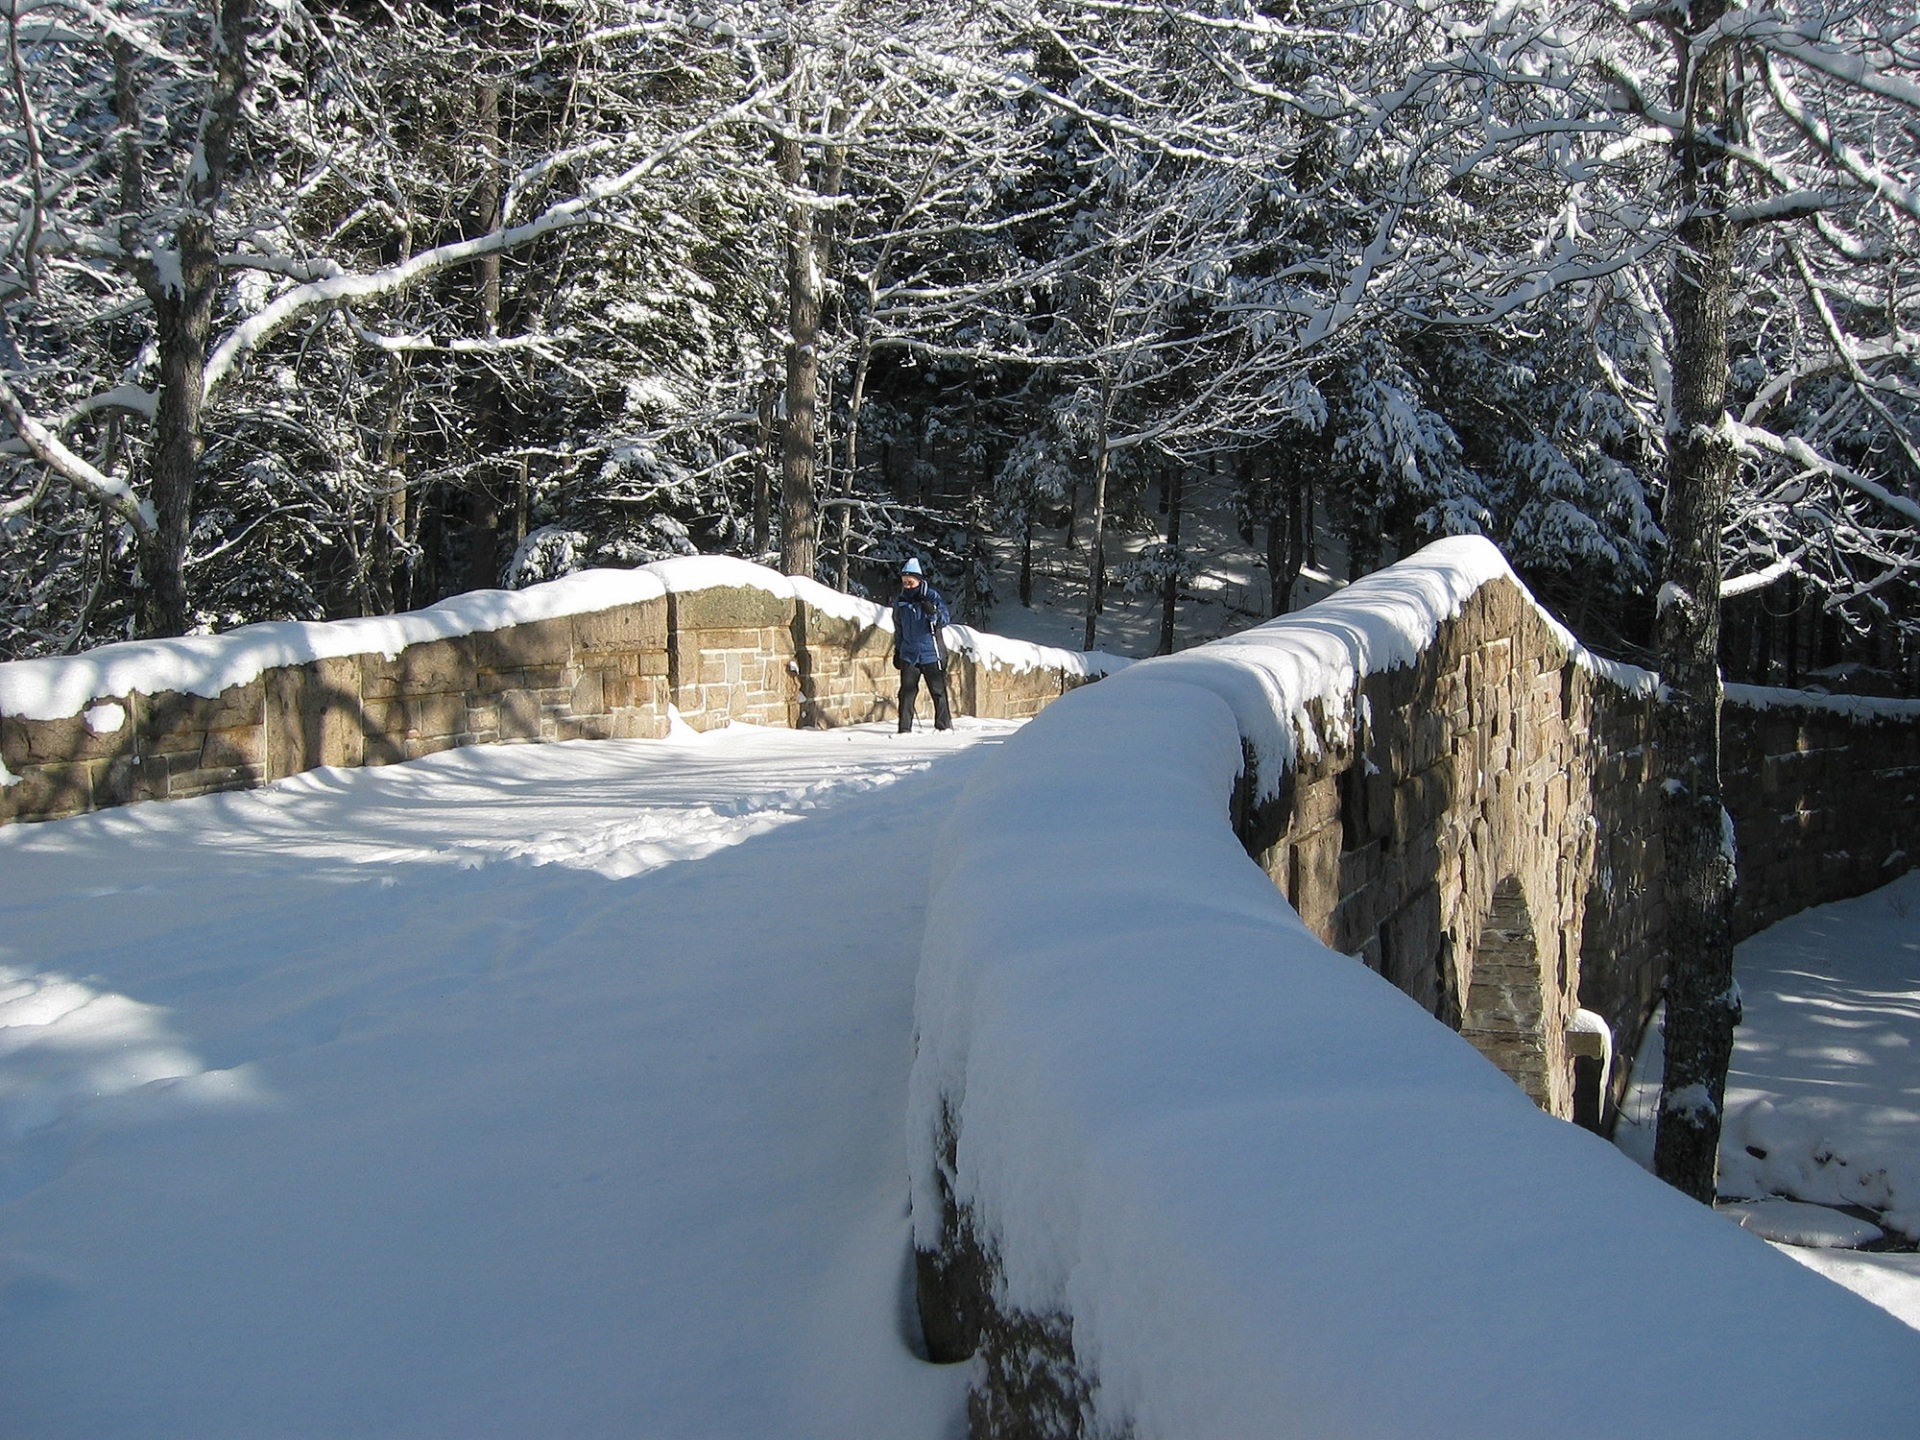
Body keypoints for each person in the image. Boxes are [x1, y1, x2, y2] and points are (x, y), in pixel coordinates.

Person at [892, 557, 952, 733]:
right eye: (904, 582)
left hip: (931, 652)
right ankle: (904, 729)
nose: (907, 586)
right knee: (906, 693)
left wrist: (933, 613)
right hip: (909, 653)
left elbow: (945, 619)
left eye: (910, 582)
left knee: (938, 691)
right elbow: (898, 627)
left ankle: (943, 726)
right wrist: (897, 649)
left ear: (919, 580)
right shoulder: (901, 601)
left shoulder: (931, 596)